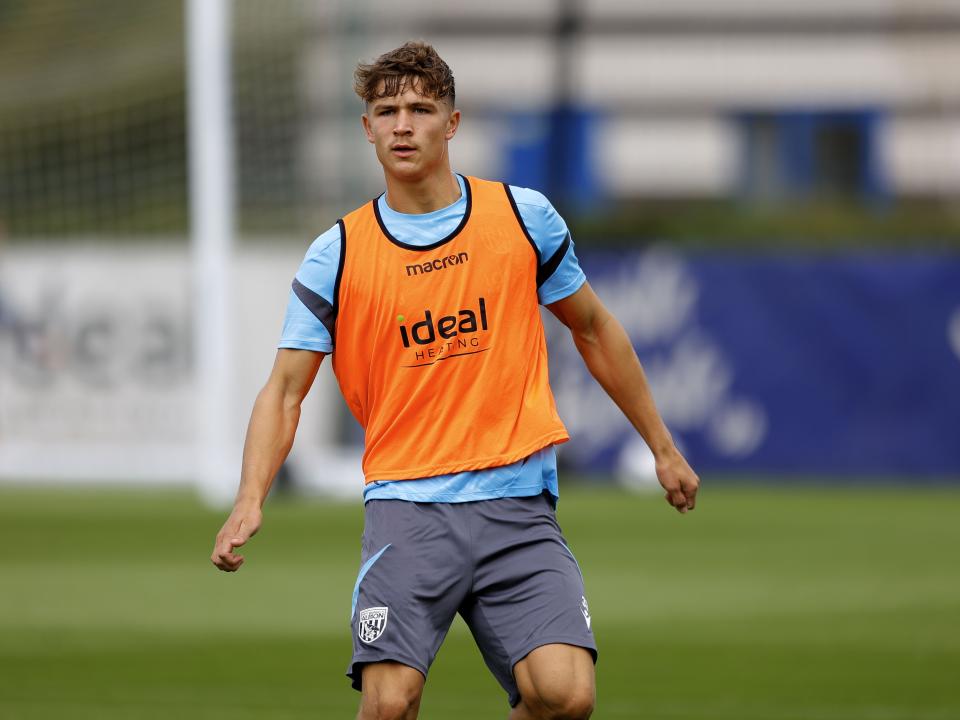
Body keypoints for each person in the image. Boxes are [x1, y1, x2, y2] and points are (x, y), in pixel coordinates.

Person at [211, 41, 699, 720]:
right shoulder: (339, 252)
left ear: (452, 122)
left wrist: (663, 447)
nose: (403, 125)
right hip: (407, 512)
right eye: (387, 110)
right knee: (388, 706)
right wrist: (249, 497)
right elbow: (285, 389)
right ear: (367, 128)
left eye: (420, 108)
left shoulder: (522, 218)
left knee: (565, 697)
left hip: (518, 506)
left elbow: (593, 329)